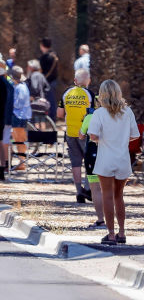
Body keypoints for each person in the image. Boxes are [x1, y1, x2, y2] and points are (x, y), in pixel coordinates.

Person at [87, 80, 140, 245]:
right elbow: (135, 135)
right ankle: (122, 232)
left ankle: (110, 234)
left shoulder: (99, 113)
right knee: (119, 196)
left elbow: (93, 136)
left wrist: (103, 138)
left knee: (107, 195)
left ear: (102, 94)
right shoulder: (128, 112)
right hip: (123, 158)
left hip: (105, 159)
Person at [57, 68, 94, 203]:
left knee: (76, 163)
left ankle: (79, 192)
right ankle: (88, 189)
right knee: (89, 161)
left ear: (75, 81)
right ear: (88, 81)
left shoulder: (66, 93)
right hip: (86, 133)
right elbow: (93, 115)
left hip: (71, 133)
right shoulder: (90, 94)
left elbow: (59, 114)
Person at [79, 108, 106, 229]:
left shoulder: (90, 117)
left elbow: (81, 135)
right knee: (110, 187)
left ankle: (101, 220)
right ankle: (115, 223)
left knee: (95, 188)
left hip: (93, 152)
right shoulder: (118, 115)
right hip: (112, 152)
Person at [9, 66, 31, 171]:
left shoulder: (20, 88)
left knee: (20, 140)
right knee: (18, 139)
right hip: (19, 115)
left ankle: (22, 162)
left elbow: (18, 104)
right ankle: (21, 161)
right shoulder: (19, 86)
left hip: (19, 116)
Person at [39, 37, 59, 118]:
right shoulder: (54, 55)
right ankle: (52, 117)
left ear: (42, 45)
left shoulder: (44, 57)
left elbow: (41, 70)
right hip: (53, 81)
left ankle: (50, 118)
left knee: (48, 101)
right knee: (52, 101)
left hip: (46, 82)